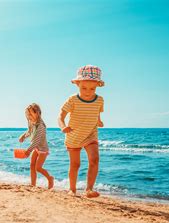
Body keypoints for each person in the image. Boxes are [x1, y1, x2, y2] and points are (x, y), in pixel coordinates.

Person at [58, 65, 105, 198]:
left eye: (92, 88)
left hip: (91, 134)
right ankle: (72, 189)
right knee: (75, 164)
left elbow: (96, 113)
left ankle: (89, 189)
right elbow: (60, 116)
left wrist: (99, 121)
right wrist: (63, 126)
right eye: (84, 87)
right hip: (73, 135)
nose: (88, 91)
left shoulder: (100, 100)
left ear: (97, 86)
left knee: (94, 159)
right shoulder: (73, 100)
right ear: (77, 84)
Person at [19, 103, 54, 189]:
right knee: (32, 165)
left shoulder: (41, 126)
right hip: (36, 148)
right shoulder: (32, 122)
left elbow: (37, 141)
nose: (29, 116)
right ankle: (33, 184)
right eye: (28, 114)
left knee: (38, 168)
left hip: (42, 149)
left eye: (31, 114)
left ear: (37, 113)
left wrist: (28, 150)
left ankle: (50, 178)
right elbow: (30, 131)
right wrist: (23, 136)